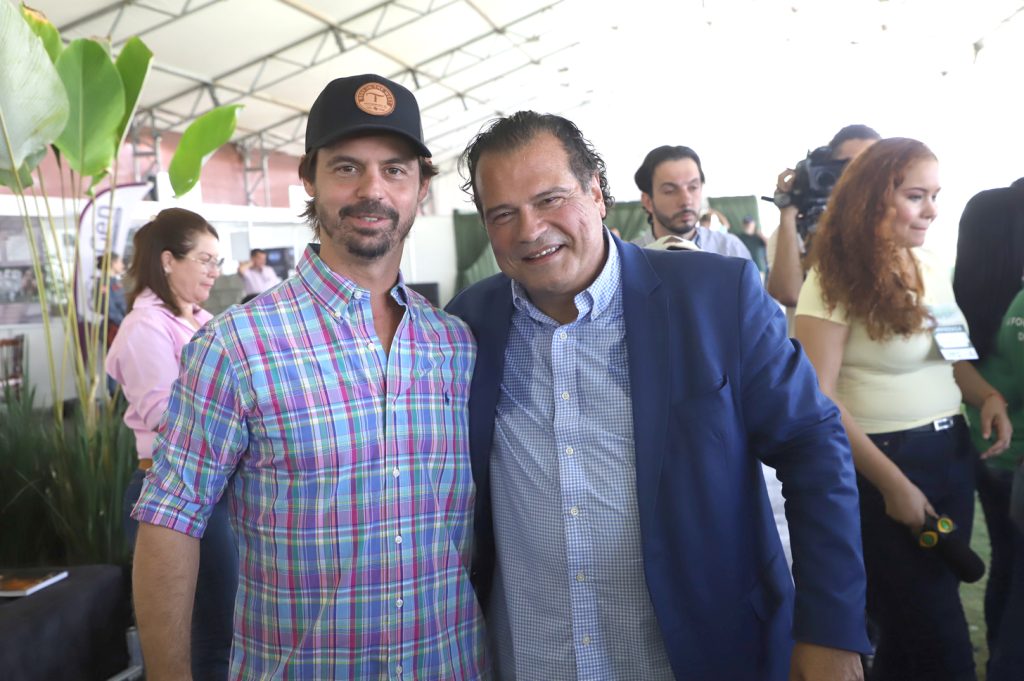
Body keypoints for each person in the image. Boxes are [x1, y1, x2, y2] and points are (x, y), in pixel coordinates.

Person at [448, 111, 870, 681]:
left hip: (704, 654)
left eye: (550, 199)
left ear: (597, 193)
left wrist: (830, 630)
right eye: (503, 214)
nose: (529, 229)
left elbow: (812, 447)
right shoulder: (468, 325)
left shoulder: (717, 297)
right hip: (536, 658)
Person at [129, 74, 487, 679]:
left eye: (395, 170)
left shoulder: (453, 344)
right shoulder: (235, 347)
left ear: (421, 187)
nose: (372, 189)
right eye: (347, 167)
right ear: (309, 179)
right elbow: (170, 520)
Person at [795, 138, 1012, 681]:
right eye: (917, 196)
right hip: (884, 460)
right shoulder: (831, 278)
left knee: (913, 624)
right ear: (872, 198)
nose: (932, 210)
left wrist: (987, 396)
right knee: (937, 634)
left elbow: (953, 356)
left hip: (950, 452)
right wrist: (893, 484)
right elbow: (819, 397)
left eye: (935, 195)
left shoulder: (930, 265)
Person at [105, 208, 236, 681]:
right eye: (204, 259)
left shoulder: (203, 320)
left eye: (217, 261)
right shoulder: (145, 327)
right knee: (207, 639)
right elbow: (165, 416)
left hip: (213, 489)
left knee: (226, 629)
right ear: (167, 261)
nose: (214, 271)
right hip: (168, 488)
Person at [952, 177, 1024, 681]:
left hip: (984, 447)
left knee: (1006, 560)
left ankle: (999, 653)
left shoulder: (959, 294)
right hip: (1015, 455)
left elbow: (955, 365)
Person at [767, 125, 880, 318]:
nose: (862, 175)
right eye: (849, 167)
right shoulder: (793, 233)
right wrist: (788, 211)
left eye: (872, 166)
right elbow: (789, 294)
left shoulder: (898, 227)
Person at [631, 145, 752, 258]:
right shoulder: (629, 259)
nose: (686, 200)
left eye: (693, 187)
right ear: (648, 202)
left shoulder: (730, 250)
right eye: (670, 191)